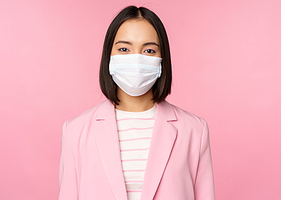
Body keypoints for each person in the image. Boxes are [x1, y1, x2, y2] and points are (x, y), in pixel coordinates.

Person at [58, 6, 216, 200]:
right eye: (124, 49)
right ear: (109, 57)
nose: (136, 58)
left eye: (149, 50)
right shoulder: (75, 131)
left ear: (162, 59)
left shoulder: (194, 130)